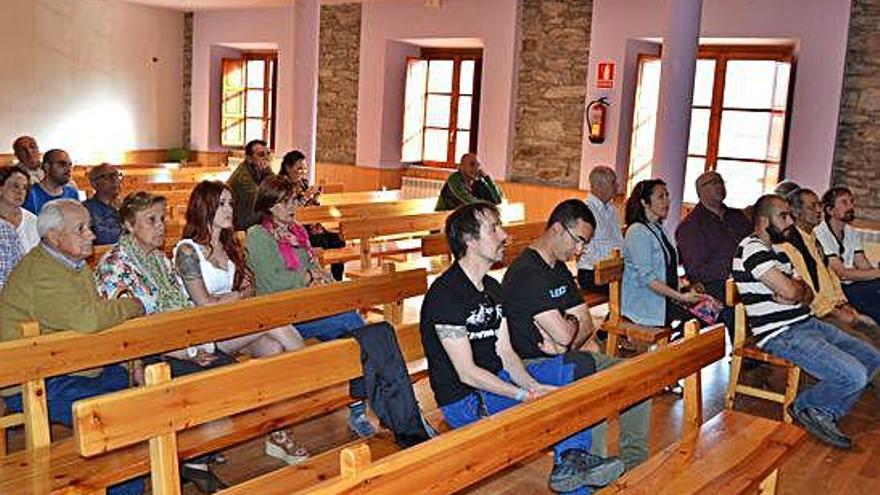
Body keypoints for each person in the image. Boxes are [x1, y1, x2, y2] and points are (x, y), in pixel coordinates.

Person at [420, 201, 624, 494]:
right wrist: (523, 394)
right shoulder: (446, 294)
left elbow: (505, 353)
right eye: (494, 229)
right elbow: (466, 373)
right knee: (560, 408)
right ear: (469, 240)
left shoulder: (492, 288)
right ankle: (573, 464)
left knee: (579, 367)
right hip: (466, 400)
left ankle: (571, 461)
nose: (504, 235)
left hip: (498, 384)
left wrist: (532, 386)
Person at [0, 199, 144, 495]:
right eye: (81, 229)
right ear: (53, 236)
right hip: (32, 378)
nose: (91, 234)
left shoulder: (71, 264)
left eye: (89, 227)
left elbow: (90, 315)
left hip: (70, 364)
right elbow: (89, 319)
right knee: (113, 417)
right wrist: (133, 306)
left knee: (137, 394)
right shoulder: (42, 273)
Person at [94, 191, 235, 492]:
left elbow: (183, 306)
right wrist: (184, 353)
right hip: (141, 356)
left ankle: (195, 451)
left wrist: (195, 345)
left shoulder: (160, 259)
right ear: (130, 226)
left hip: (180, 344)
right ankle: (190, 457)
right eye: (151, 220)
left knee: (229, 373)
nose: (161, 226)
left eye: (162, 218)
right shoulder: (115, 266)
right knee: (212, 379)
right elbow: (126, 331)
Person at [501, 199, 650, 471]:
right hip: (531, 366)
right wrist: (568, 332)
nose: (579, 250)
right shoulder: (527, 272)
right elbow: (567, 332)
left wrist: (566, 332)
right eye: (578, 241)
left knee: (638, 376)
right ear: (557, 229)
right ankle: (593, 471)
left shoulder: (557, 268)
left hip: (562, 357)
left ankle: (632, 464)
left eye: (585, 244)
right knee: (595, 383)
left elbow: (583, 325)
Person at [174, 180, 311, 466]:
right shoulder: (187, 251)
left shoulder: (228, 245)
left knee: (273, 347)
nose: (229, 209)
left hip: (232, 327)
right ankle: (310, 369)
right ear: (205, 208)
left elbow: (250, 290)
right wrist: (234, 297)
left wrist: (230, 298)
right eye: (222, 204)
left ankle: (278, 432)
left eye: (230, 204)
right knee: (271, 321)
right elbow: (205, 305)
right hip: (202, 336)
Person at [732, 194, 880, 450]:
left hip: (807, 323)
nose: (790, 221)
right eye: (783, 216)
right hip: (780, 333)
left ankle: (822, 410)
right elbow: (792, 292)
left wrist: (794, 291)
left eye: (790, 215)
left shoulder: (778, 252)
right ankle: (810, 406)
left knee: (871, 357)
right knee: (854, 375)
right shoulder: (751, 248)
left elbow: (806, 293)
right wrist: (793, 291)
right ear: (764, 220)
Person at [246, 175, 375, 438]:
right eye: (284, 202)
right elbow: (271, 283)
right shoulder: (258, 235)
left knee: (355, 335)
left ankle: (357, 406)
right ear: (270, 206)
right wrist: (307, 278)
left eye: (293, 200)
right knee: (354, 326)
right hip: (279, 316)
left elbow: (314, 266)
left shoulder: (298, 232)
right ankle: (360, 400)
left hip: (308, 308)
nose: (292, 206)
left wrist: (321, 277)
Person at [782, 188, 880, 347]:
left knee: (873, 331)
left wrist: (843, 304)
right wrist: (837, 312)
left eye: (819, 205)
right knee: (869, 344)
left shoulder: (813, 239)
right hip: (820, 311)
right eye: (812, 206)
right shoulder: (794, 243)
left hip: (835, 302)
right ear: (796, 212)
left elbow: (831, 276)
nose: (818, 210)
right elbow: (812, 289)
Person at [622, 180, 704, 330]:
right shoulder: (637, 232)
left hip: (664, 299)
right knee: (708, 314)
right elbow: (648, 279)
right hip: (648, 303)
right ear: (644, 203)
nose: (667, 201)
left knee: (713, 308)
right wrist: (680, 297)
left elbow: (667, 269)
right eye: (661, 197)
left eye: (667, 196)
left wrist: (685, 287)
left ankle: (675, 347)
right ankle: (675, 349)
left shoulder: (659, 229)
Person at [675, 171, 751, 301]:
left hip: (750, 280)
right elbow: (695, 270)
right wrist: (733, 271)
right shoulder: (691, 226)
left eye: (721, 182)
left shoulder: (737, 216)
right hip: (717, 289)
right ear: (700, 191)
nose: (720, 186)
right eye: (714, 182)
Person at [813, 186, 880, 324]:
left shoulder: (851, 232)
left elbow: (863, 265)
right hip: (838, 289)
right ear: (829, 210)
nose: (850, 206)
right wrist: (877, 273)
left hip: (854, 284)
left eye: (851, 201)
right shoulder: (819, 233)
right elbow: (841, 274)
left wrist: (876, 272)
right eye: (844, 202)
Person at [279, 150, 346, 280]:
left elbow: (310, 206)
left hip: (310, 225)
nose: (303, 172)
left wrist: (314, 199)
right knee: (321, 241)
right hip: (294, 229)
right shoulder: (281, 185)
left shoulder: (302, 182)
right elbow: (290, 212)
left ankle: (337, 280)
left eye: (304, 169)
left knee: (338, 240)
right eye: (299, 169)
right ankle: (316, 278)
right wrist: (305, 197)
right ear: (287, 168)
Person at [576, 166, 623, 295]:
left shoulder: (612, 209)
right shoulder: (585, 210)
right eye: (613, 182)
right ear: (600, 186)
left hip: (613, 269)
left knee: (645, 282)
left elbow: (619, 242)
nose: (617, 186)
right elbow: (583, 250)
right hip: (592, 272)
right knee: (634, 288)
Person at [228, 139, 273, 231]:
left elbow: (277, 188)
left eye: (268, 153)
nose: (266, 158)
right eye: (261, 155)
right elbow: (259, 197)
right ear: (249, 159)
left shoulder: (259, 170)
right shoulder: (243, 175)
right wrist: (267, 171)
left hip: (252, 217)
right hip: (239, 223)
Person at [435, 153, 504, 211]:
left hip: (462, 221)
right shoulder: (454, 178)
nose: (476, 168)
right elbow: (469, 201)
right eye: (472, 164)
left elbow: (497, 200)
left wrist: (487, 179)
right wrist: (489, 205)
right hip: (441, 219)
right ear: (461, 167)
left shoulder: (478, 182)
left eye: (478, 165)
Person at [23, 149, 79, 214]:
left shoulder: (72, 193)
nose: (68, 169)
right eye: (62, 164)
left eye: (70, 165)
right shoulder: (30, 194)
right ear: (47, 167)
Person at [0, 166, 39, 253]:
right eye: (16, 186)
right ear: (1, 188)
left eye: (25, 188)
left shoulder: (32, 221)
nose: (20, 192)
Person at [82, 163, 124, 245]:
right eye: (108, 176)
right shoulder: (85, 209)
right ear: (94, 184)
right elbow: (103, 238)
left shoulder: (127, 206)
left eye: (117, 175)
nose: (115, 180)